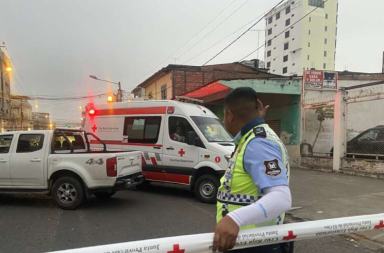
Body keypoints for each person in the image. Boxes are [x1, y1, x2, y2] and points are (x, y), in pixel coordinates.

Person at [213, 87, 293, 253]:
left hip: (253, 244)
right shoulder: (254, 137)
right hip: (249, 240)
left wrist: (235, 219)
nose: (223, 121)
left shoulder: (258, 143)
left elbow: (281, 198)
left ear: (229, 115)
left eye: (223, 116)